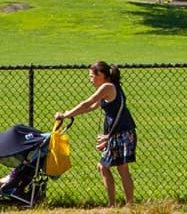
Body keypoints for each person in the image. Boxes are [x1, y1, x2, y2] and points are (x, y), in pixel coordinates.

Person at [56, 61, 136, 206]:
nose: (90, 79)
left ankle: (121, 205)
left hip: (120, 133)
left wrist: (66, 115)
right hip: (121, 131)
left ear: (101, 75)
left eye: (92, 76)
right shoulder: (111, 86)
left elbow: (88, 102)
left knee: (113, 167)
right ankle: (120, 204)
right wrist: (70, 114)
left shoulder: (107, 87)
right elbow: (93, 106)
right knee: (113, 168)